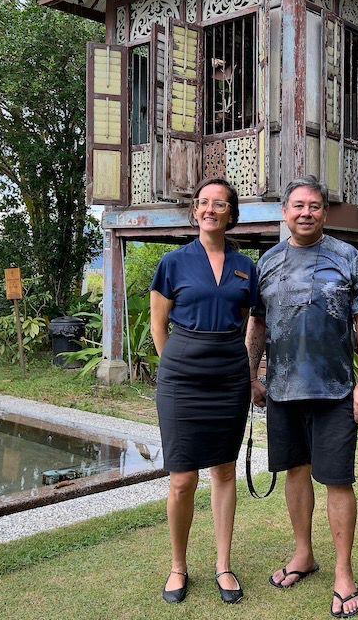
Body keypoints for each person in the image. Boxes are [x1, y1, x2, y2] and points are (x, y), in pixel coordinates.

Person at [246, 175, 358, 619]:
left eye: (315, 206)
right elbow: (259, 325)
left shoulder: (347, 257)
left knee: (338, 479)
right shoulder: (266, 263)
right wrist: (251, 376)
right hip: (283, 391)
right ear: (285, 212)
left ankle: (344, 572)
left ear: (325, 212)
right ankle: (303, 553)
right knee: (295, 473)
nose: (306, 213)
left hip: (337, 389)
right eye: (298, 206)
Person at [150, 177, 258, 605]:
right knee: (181, 479)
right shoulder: (173, 262)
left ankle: (223, 564)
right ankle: (178, 566)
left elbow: (246, 319)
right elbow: (159, 324)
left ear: (231, 213)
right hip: (181, 379)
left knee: (224, 471)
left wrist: (246, 371)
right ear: (195, 211)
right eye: (203, 203)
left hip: (229, 378)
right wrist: (175, 364)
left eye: (219, 203)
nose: (210, 209)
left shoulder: (245, 267)